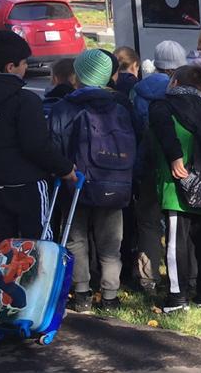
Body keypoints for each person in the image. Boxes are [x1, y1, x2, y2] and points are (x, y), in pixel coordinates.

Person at [0, 29, 76, 242]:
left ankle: (3, 265)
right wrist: (64, 168)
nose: (26, 67)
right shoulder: (25, 100)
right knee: (38, 241)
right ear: (10, 67)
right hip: (27, 183)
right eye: (24, 63)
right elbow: (36, 145)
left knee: (2, 242)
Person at [48, 48, 138, 312]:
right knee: (110, 243)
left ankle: (82, 293)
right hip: (114, 181)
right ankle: (110, 295)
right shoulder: (120, 106)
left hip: (75, 181)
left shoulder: (64, 107)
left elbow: (53, 145)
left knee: (76, 238)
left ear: (78, 75)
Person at [148, 64, 201, 312]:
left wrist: (174, 157)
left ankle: (177, 297)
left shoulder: (162, 106)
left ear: (174, 83)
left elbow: (164, 132)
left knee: (176, 243)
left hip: (175, 185)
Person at [129, 39, 187, 294]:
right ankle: (184, 277)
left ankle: (148, 278)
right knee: (179, 222)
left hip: (145, 163)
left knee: (148, 222)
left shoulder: (137, 91)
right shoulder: (180, 92)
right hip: (175, 164)